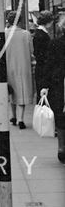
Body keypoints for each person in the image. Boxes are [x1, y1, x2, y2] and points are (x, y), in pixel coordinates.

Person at [40, 16, 65, 164]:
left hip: (59, 84)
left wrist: (45, 85)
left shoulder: (55, 43)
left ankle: (62, 148)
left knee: (61, 117)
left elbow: (49, 65)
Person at [5, 11, 35, 129]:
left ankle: (13, 116)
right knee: (21, 91)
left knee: (12, 91)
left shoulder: (5, 33)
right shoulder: (26, 34)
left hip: (9, 66)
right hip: (23, 66)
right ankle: (21, 119)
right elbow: (31, 50)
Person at [33, 10, 54, 99]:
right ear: (48, 22)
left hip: (40, 68)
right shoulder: (43, 35)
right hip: (44, 69)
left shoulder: (38, 34)